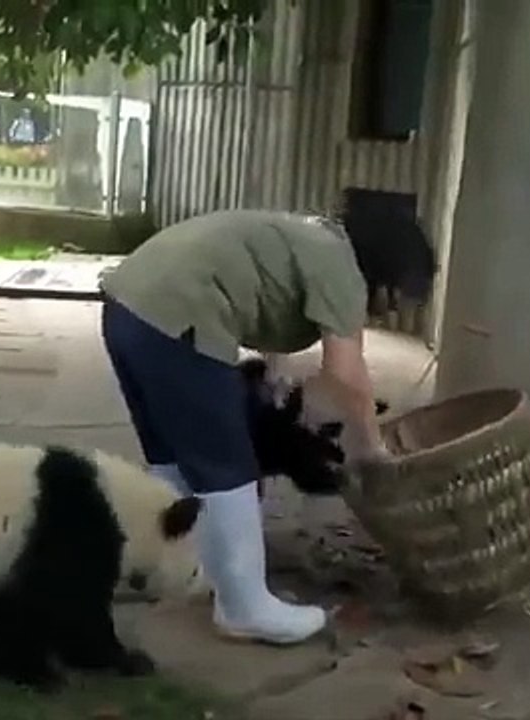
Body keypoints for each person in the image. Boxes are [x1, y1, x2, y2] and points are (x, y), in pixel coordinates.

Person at [98, 207, 435, 645]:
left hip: (126, 308)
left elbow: (260, 306)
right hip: (177, 318)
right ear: (386, 269)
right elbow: (347, 376)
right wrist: (374, 451)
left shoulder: (313, 238)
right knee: (228, 465)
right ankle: (244, 607)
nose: (393, 310)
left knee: (175, 456)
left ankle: (176, 567)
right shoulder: (343, 270)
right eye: (400, 296)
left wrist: (278, 379)